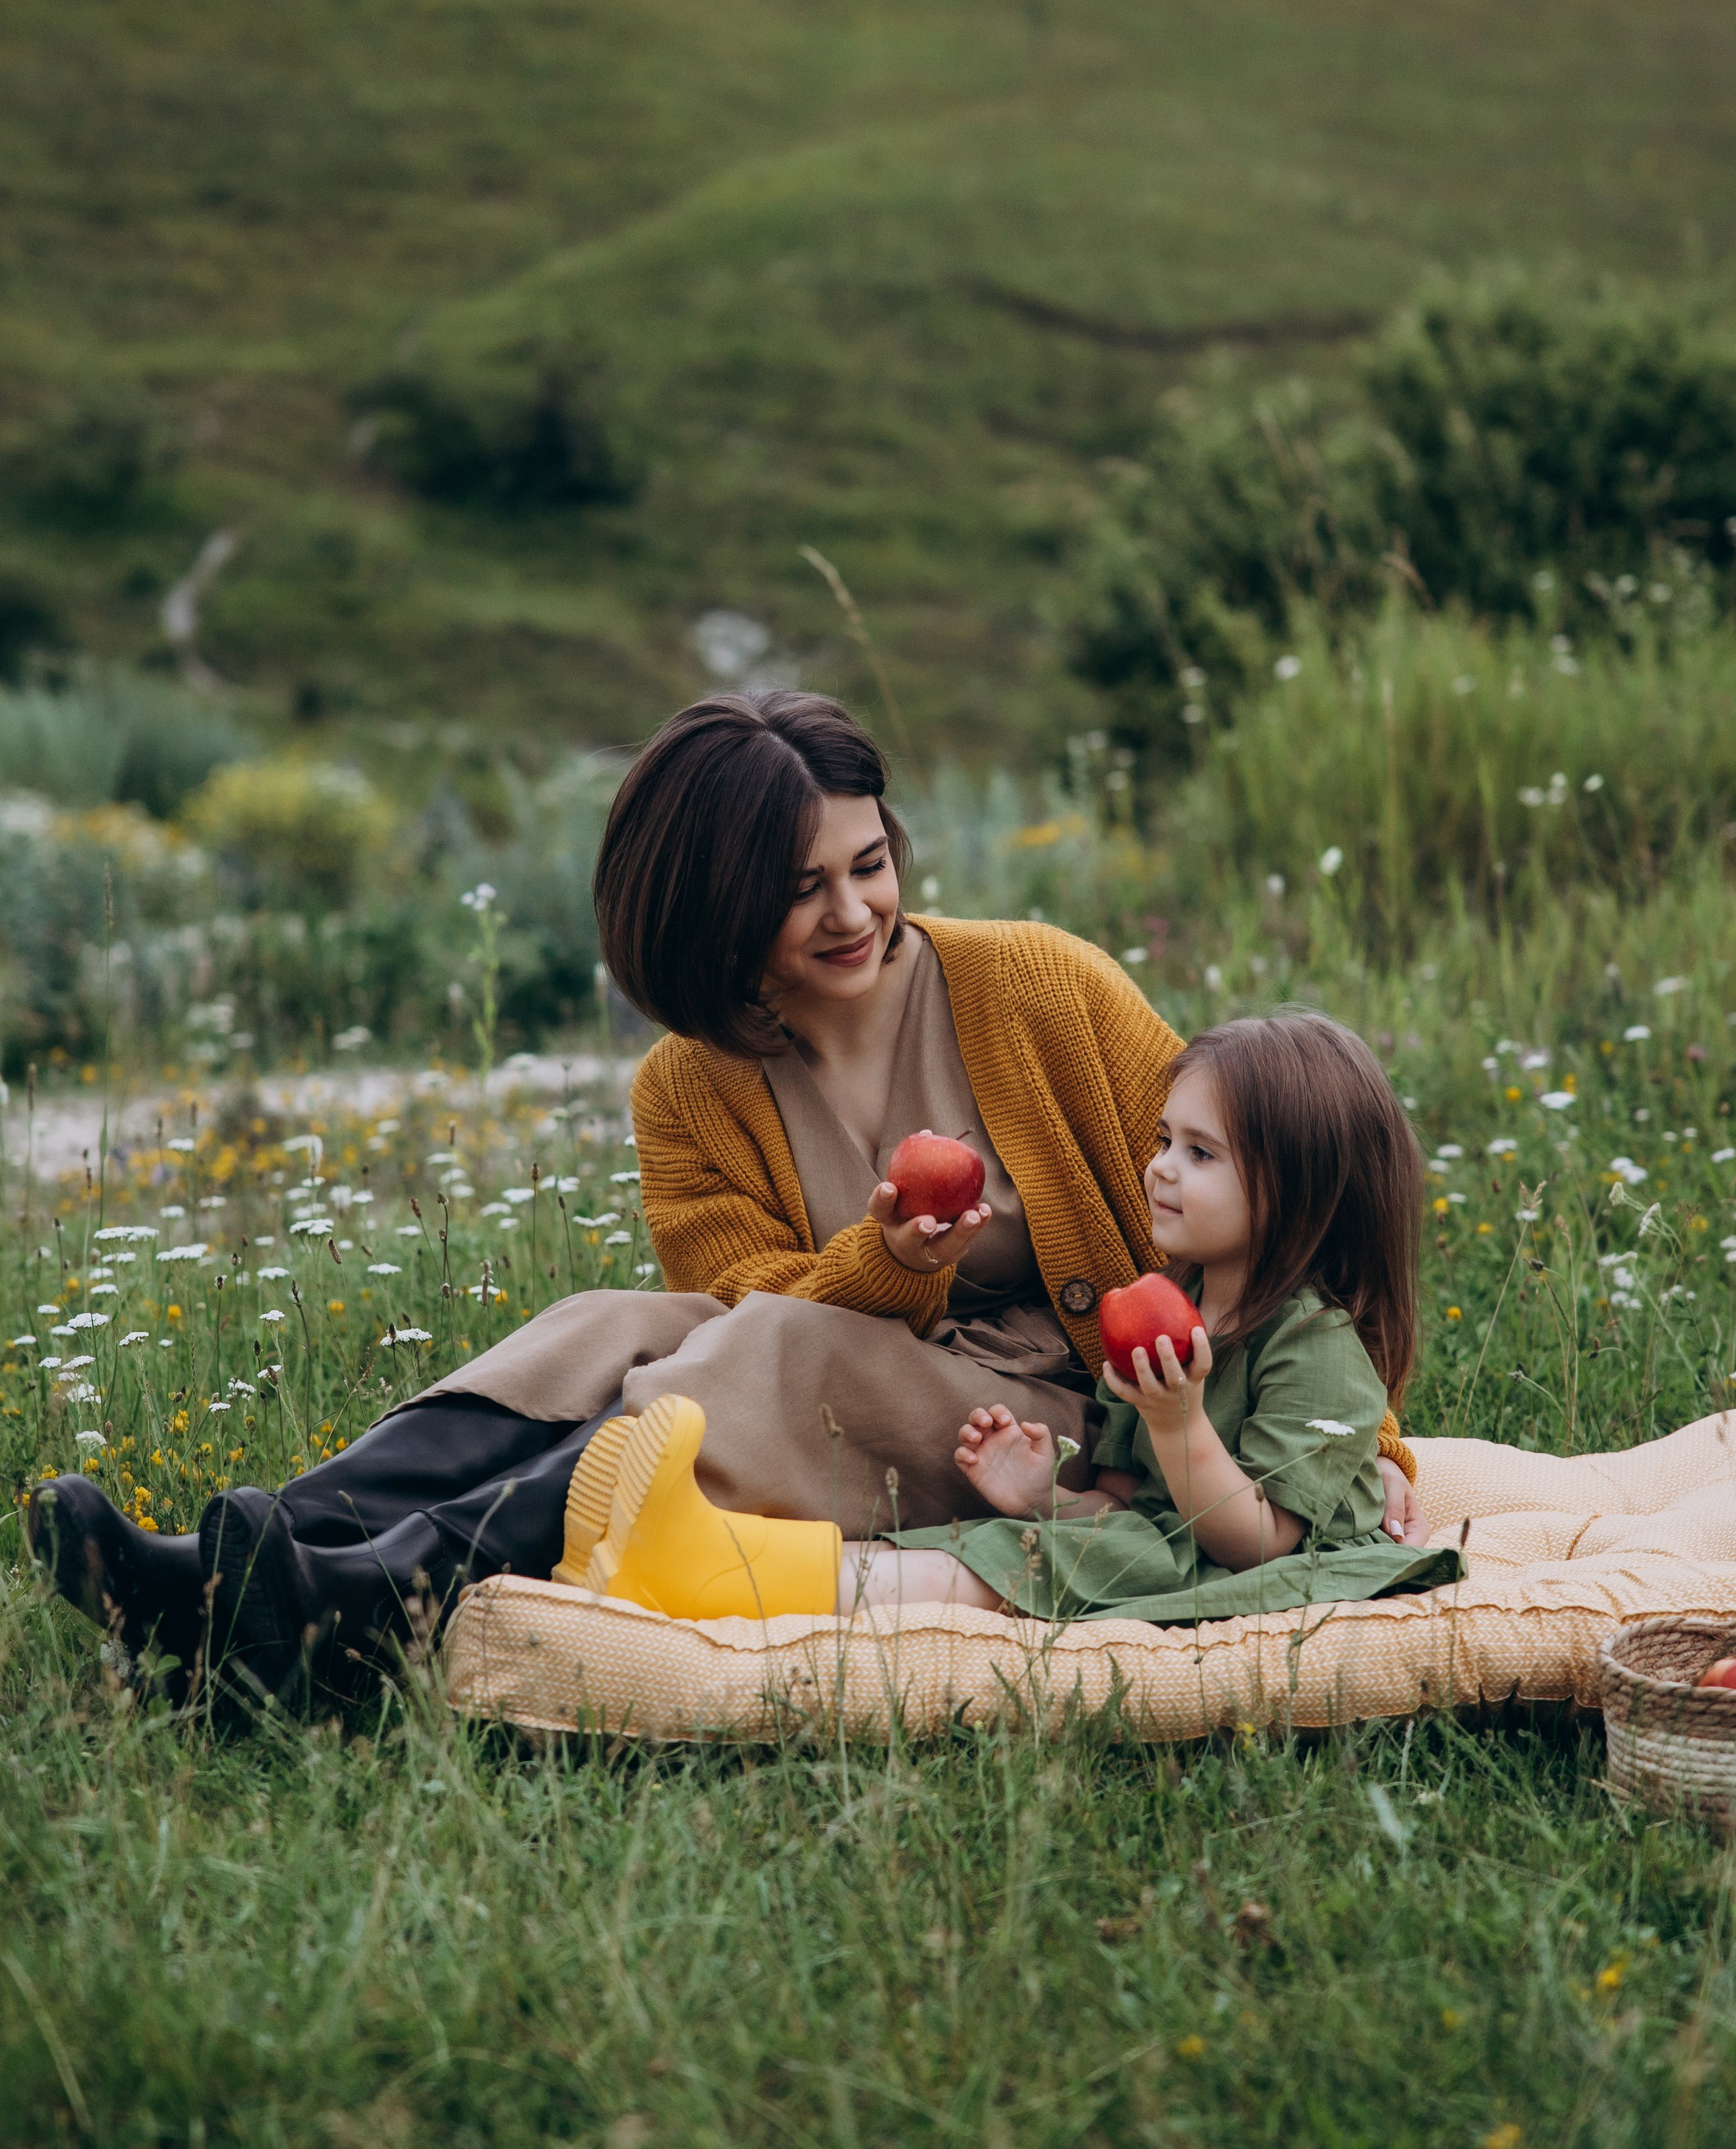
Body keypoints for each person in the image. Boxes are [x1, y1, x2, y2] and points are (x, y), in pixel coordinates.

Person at [28, 691, 1422, 1698]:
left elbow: (1263, 1201)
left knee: (764, 1348)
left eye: (868, 865)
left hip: (1045, 1414)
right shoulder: (685, 1091)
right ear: (706, 903)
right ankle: (254, 1555)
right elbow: (746, 1293)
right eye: (799, 887)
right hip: (839, 1364)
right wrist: (890, 1257)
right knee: (601, 1325)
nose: (854, 913)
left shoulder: (1039, 989)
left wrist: (1352, 1452)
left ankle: (359, 1601)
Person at [556, 1010, 1464, 1625]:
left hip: (1265, 1571)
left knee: (1019, 1565)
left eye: (1200, 1153)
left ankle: (716, 1578)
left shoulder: (1315, 1345)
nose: (1158, 1168)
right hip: (1159, 1541)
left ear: (1304, 1191)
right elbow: (1126, 1499)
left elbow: (1258, 1541)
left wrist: (1179, 1421)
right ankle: (703, 1559)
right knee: (987, 1538)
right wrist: (1044, 1494)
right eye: (1161, 1141)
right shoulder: (1171, 1309)